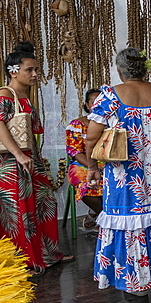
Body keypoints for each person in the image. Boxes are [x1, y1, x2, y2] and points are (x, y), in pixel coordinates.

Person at [85, 48, 151, 296]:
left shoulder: (110, 96)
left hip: (125, 177)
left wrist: (92, 166)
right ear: (145, 69)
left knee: (130, 220)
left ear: (120, 71)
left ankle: (138, 281)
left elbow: (90, 137)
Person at [0, 41, 70, 273]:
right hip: (11, 163)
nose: (35, 74)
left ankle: (46, 254)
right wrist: (18, 154)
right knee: (19, 212)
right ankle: (22, 263)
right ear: (14, 71)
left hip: (29, 161)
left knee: (43, 204)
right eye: (29, 70)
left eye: (36, 69)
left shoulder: (23, 94)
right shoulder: (5, 94)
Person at [66, 88, 103, 232]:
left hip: (105, 163)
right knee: (86, 185)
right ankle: (103, 217)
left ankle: (96, 213)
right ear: (87, 105)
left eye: (101, 102)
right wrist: (93, 166)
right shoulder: (77, 124)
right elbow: (75, 152)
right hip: (82, 164)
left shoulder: (112, 124)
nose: (98, 105)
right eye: (94, 102)